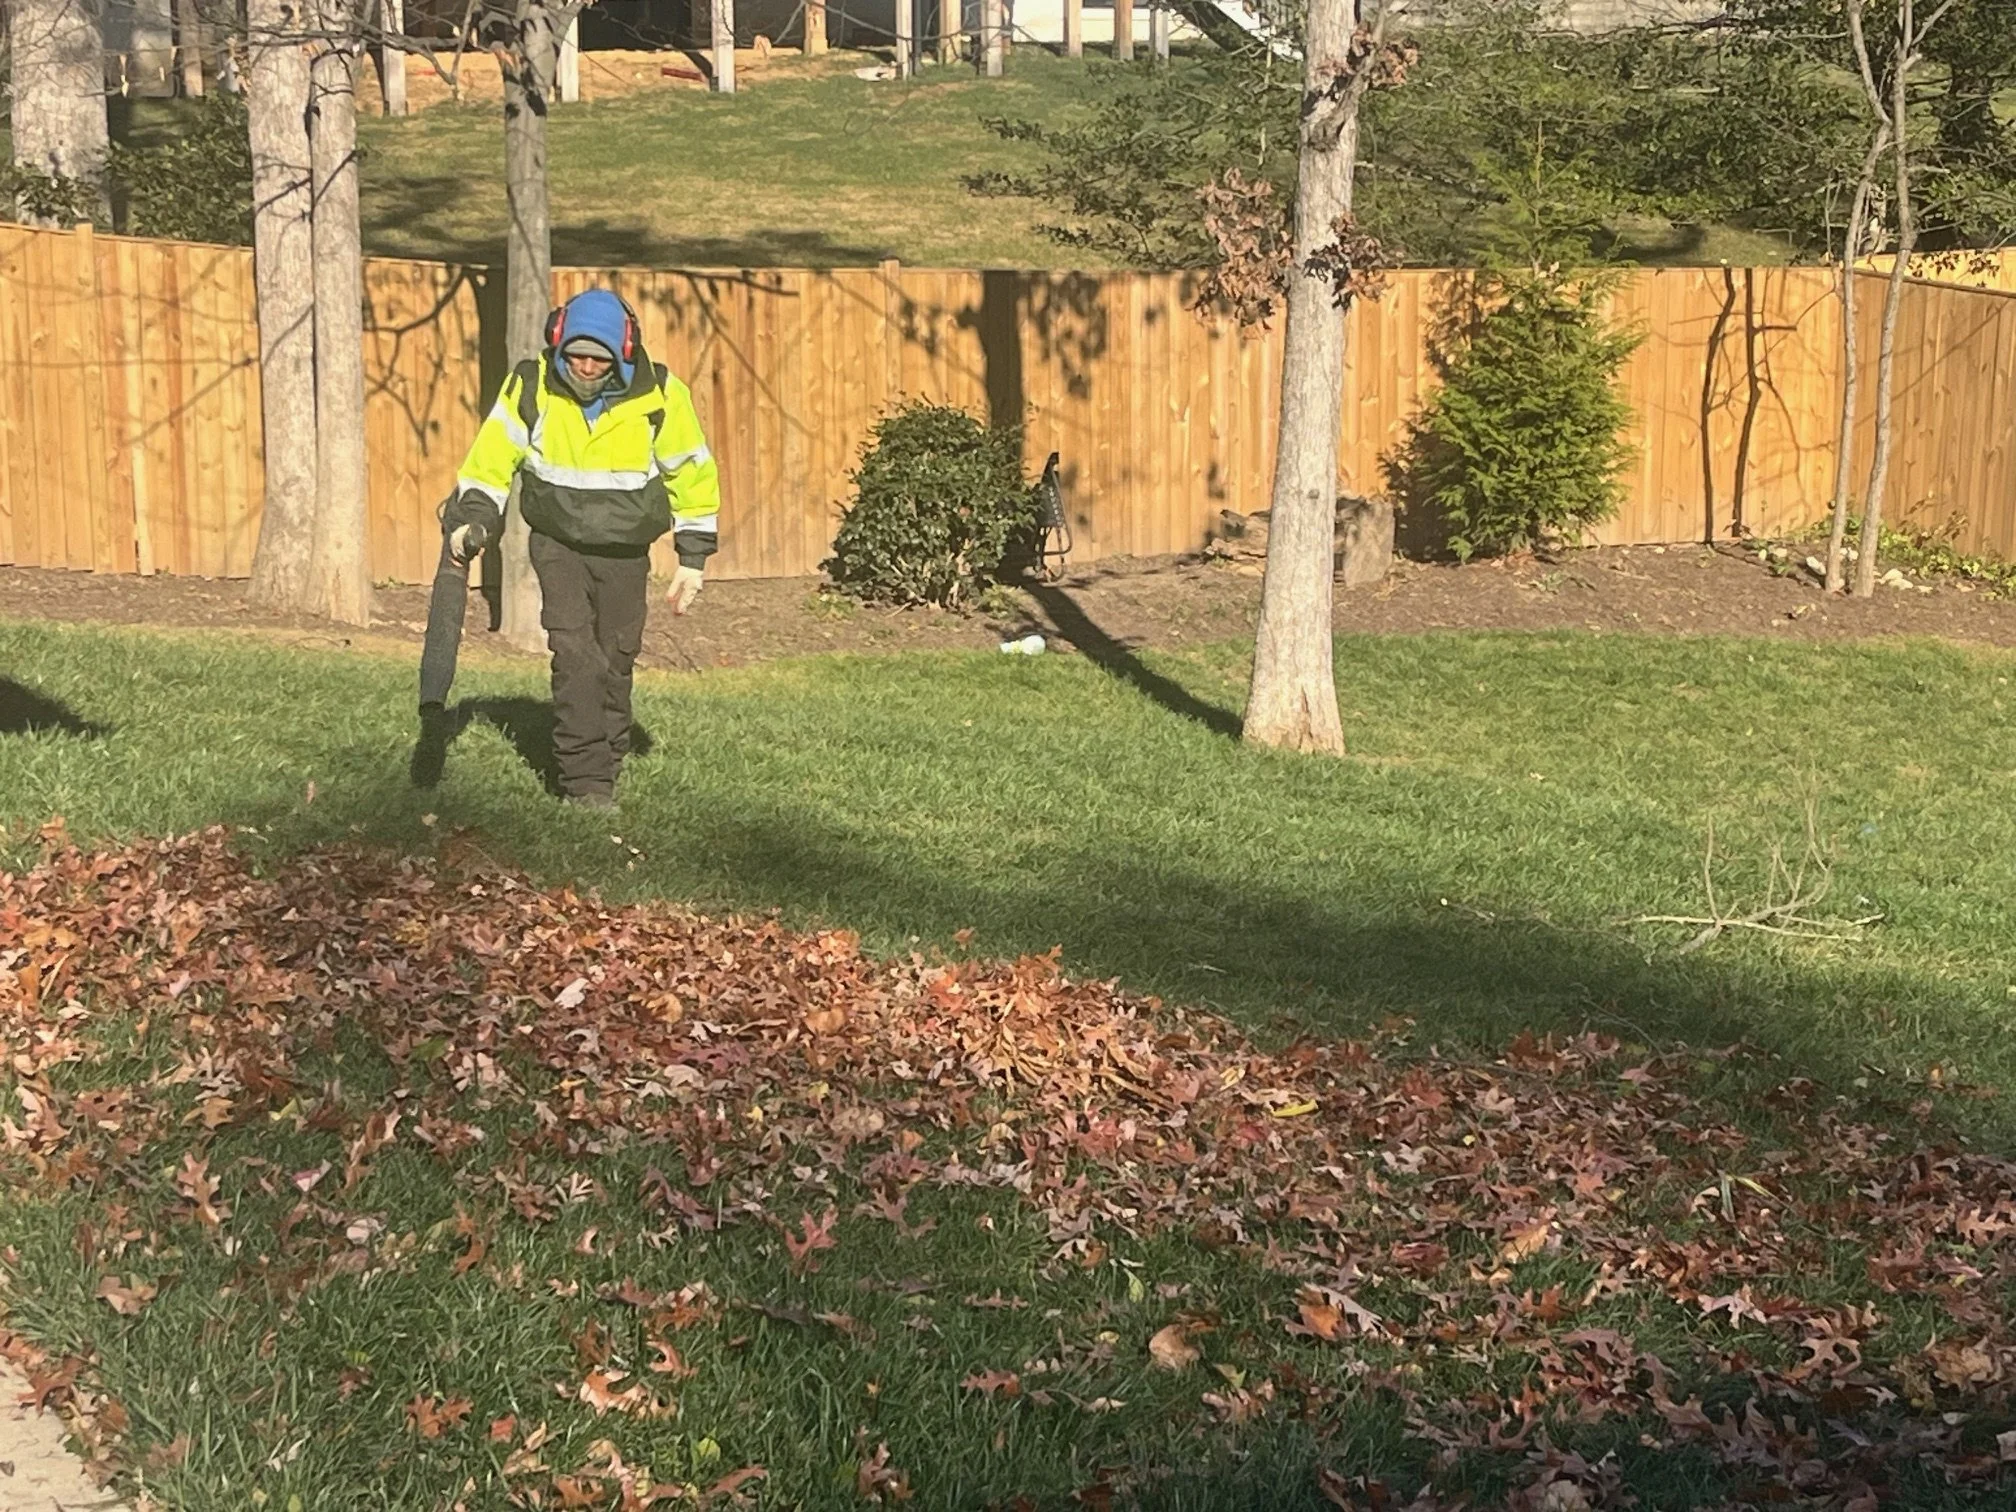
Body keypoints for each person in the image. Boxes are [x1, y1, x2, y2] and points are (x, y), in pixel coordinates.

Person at [443, 289, 721, 807]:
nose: (587, 368)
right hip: (558, 546)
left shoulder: (661, 394)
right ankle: (585, 781)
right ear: (558, 344)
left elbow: (691, 470)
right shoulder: (532, 385)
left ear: (624, 353)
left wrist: (693, 558)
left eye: (600, 358)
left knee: (616, 658)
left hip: (626, 552)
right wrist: (474, 520)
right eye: (576, 356)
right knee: (574, 655)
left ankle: (607, 756)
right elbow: (491, 458)